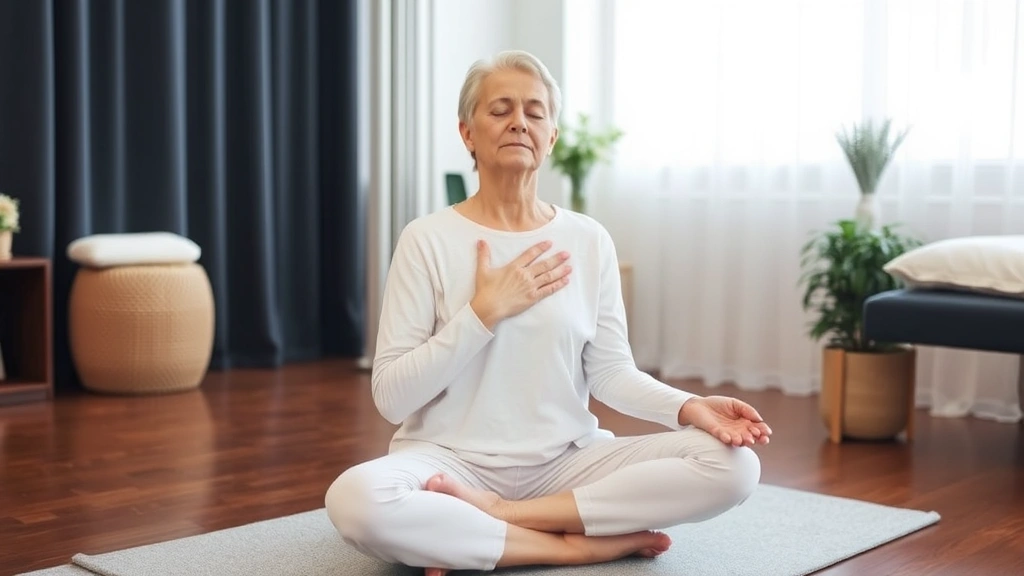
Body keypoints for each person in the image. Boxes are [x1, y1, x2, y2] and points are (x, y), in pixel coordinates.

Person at [324, 50, 772, 576]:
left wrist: (690, 406)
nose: (519, 121)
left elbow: (609, 372)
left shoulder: (587, 239)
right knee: (354, 499)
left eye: (535, 112)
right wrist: (484, 312)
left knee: (733, 466)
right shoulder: (427, 238)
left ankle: (502, 520)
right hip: (447, 459)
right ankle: (571, 545)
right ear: (468, 133)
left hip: (566, 461)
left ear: (551, 137)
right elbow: (392, 398)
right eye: (501, 109)